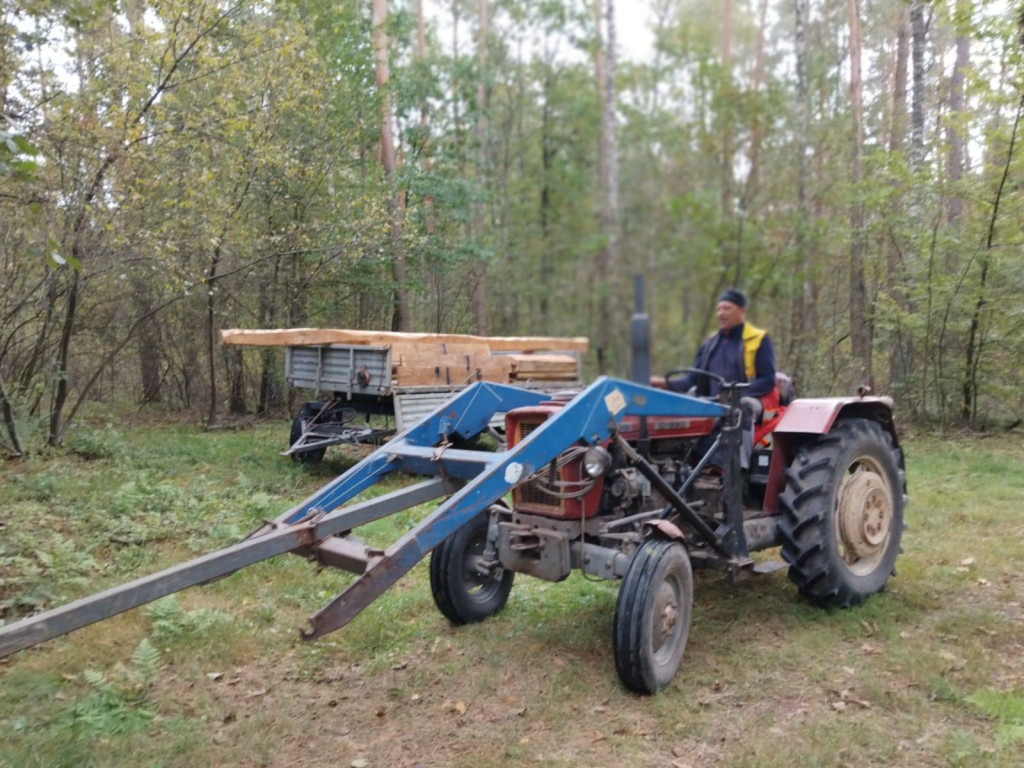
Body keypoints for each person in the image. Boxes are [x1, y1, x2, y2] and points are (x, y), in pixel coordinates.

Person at [666, 288, 778, 470]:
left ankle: (738, 470)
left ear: (742, 310)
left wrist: (735, 393)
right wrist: (661, 384)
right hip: (713, 402)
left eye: (727, 308)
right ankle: (684, 464)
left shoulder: (759, 339)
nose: (721, 313)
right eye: (718, 309)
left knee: (742, 407)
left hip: (752, 399)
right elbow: (691, 381)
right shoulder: (709, 344)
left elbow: (767, 380)